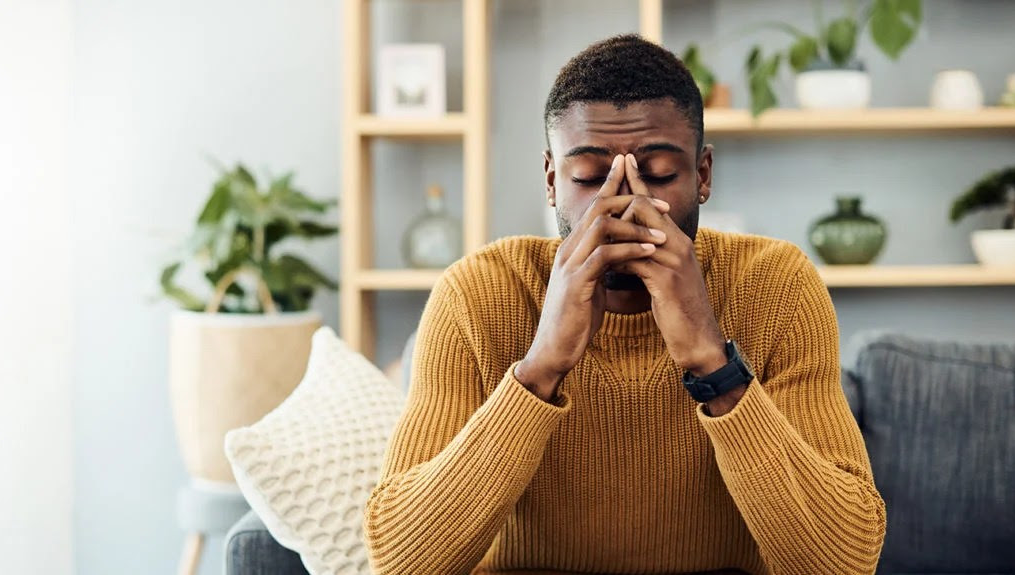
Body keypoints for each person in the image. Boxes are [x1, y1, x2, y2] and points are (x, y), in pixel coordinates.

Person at [364, 34, 886, 575]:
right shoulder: (477, 293)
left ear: (703, 175)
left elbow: (843, 562)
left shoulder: (777, 286)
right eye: (589, 178)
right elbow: (402, 563)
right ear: (551, 181)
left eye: (659, 173)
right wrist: (540, 368)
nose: (626, 205)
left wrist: (713, 362)